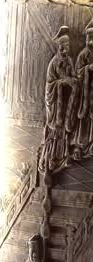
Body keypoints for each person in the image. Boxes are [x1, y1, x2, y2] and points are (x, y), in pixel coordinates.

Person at [40, 26, 79, 177]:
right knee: (55, 130)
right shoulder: (53, 63)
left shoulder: (69, 60)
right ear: (60, 46)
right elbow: (50, 84)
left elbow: (73, 75)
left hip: (67, 99)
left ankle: (63, 154)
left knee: (64, 129)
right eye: (64, 46)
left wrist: (73, 81)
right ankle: (50, 158)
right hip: (56, 103)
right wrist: (62, 82)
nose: (66, 49)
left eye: (68, 46)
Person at [74, 24, 93, 158]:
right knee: (84, 118)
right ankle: (81, 145)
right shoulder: (83, 54)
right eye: (89, 37)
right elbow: (78, 72)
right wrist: (88, 68)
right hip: (85, 93)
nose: (91, 40)